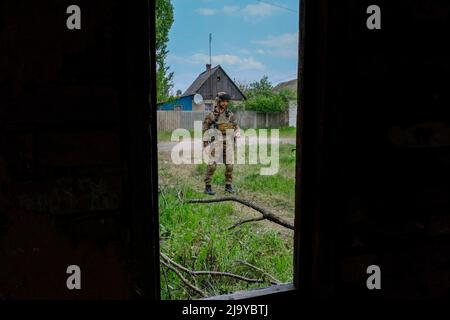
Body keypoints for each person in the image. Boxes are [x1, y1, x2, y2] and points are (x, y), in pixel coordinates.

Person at [202, 92, 241, 195]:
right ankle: (208, 187)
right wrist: (205, 144)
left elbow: (236, 126)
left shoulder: (230, 115)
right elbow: (205, 130)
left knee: (229, 166)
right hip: (215, 143)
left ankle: (228, 186)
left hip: (228, 143)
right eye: (223, 101)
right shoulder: (211, 115)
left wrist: (237, 132)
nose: (225, 103)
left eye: (226, 101)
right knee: (212, 166)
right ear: (218, 101)